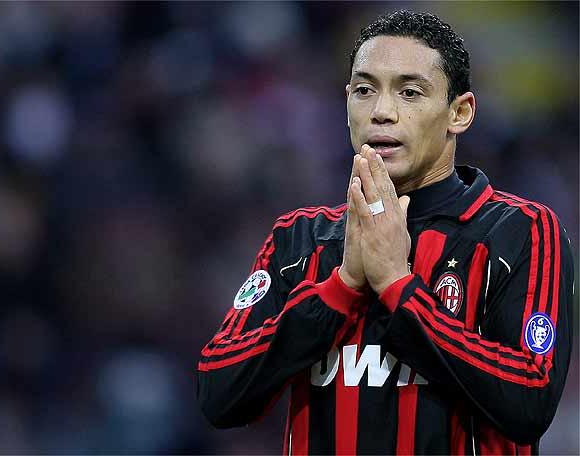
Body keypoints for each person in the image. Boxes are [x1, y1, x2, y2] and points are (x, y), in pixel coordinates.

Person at [197, 10, 574, 455]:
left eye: (410, 92)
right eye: (364, 90)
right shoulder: (299, 239)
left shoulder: (521, 231)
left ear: (459, 112)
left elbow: (530, 399)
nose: (381, 112)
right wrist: (339, 289)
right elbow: (219, 394)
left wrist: (398, 287)